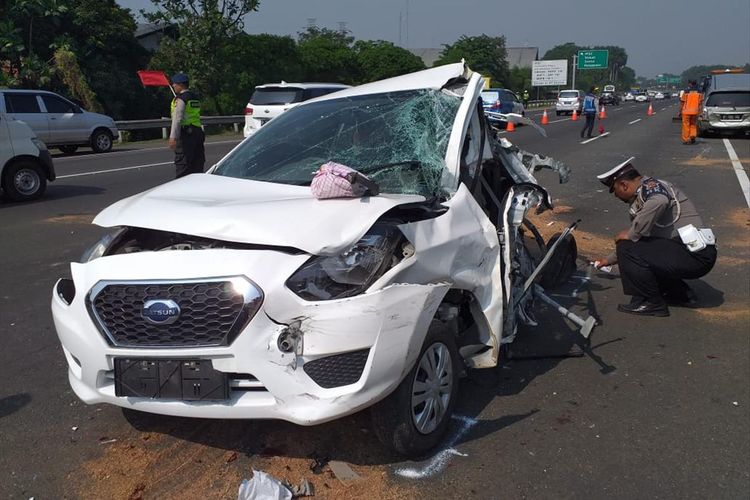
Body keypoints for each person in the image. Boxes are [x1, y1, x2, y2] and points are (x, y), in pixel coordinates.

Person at [593, 158, 717, 316]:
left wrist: (632, 233)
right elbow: (641, 243)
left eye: (615, 190)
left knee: (627, 247)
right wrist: (608, 260)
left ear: (624, 185)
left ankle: (651, 302)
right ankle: (681, 294)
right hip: (695, 253)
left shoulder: (652, 188)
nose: (616, 196)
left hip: (694, 255)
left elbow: (659, 201)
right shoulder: (644, 192)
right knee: (636, 247)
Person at [169, 73, 205, 178]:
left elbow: (177, 118)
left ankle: (182, 188)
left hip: (186, 134)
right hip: (198, 132)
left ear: (180, 85)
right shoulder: (195, 97)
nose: (173, 86)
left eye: (174, 84)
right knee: (197, 163)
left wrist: (173, 137)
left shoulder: (180, 99)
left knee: (183, 164)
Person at [679, 80, 702, 144]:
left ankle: (687, 139)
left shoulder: (686, 91)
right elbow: (700, 103)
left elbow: (682, 102)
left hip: (686, 111)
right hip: (695, 111)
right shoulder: (699, 92)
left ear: (690, 84)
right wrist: (700, 112)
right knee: (693, 124)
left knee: (686, 125)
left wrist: (680, 111)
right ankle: (692, 136)